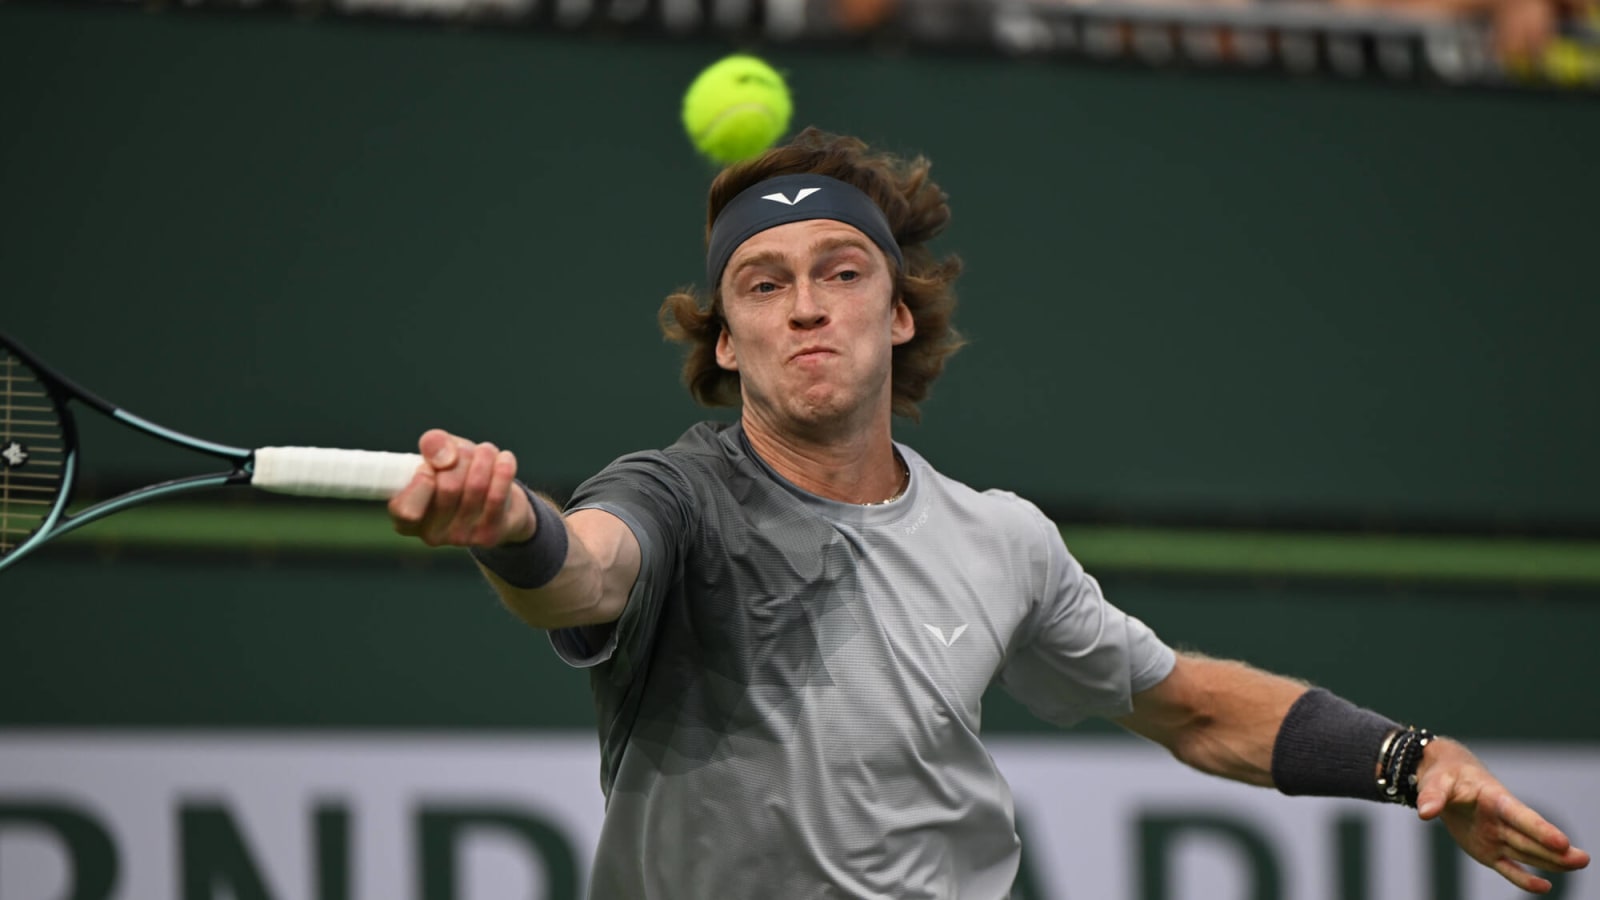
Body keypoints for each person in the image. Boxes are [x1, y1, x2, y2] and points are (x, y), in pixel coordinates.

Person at [387, 127, 1589, 898]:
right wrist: (509, 526)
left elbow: (1191, 708)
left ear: (896, 315)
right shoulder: (676, 497)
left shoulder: (999, 539)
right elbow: (587, 571)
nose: (805, 305)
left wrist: (1410, 760)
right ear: (728, 342)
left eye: (839, 273)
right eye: (764, 284)